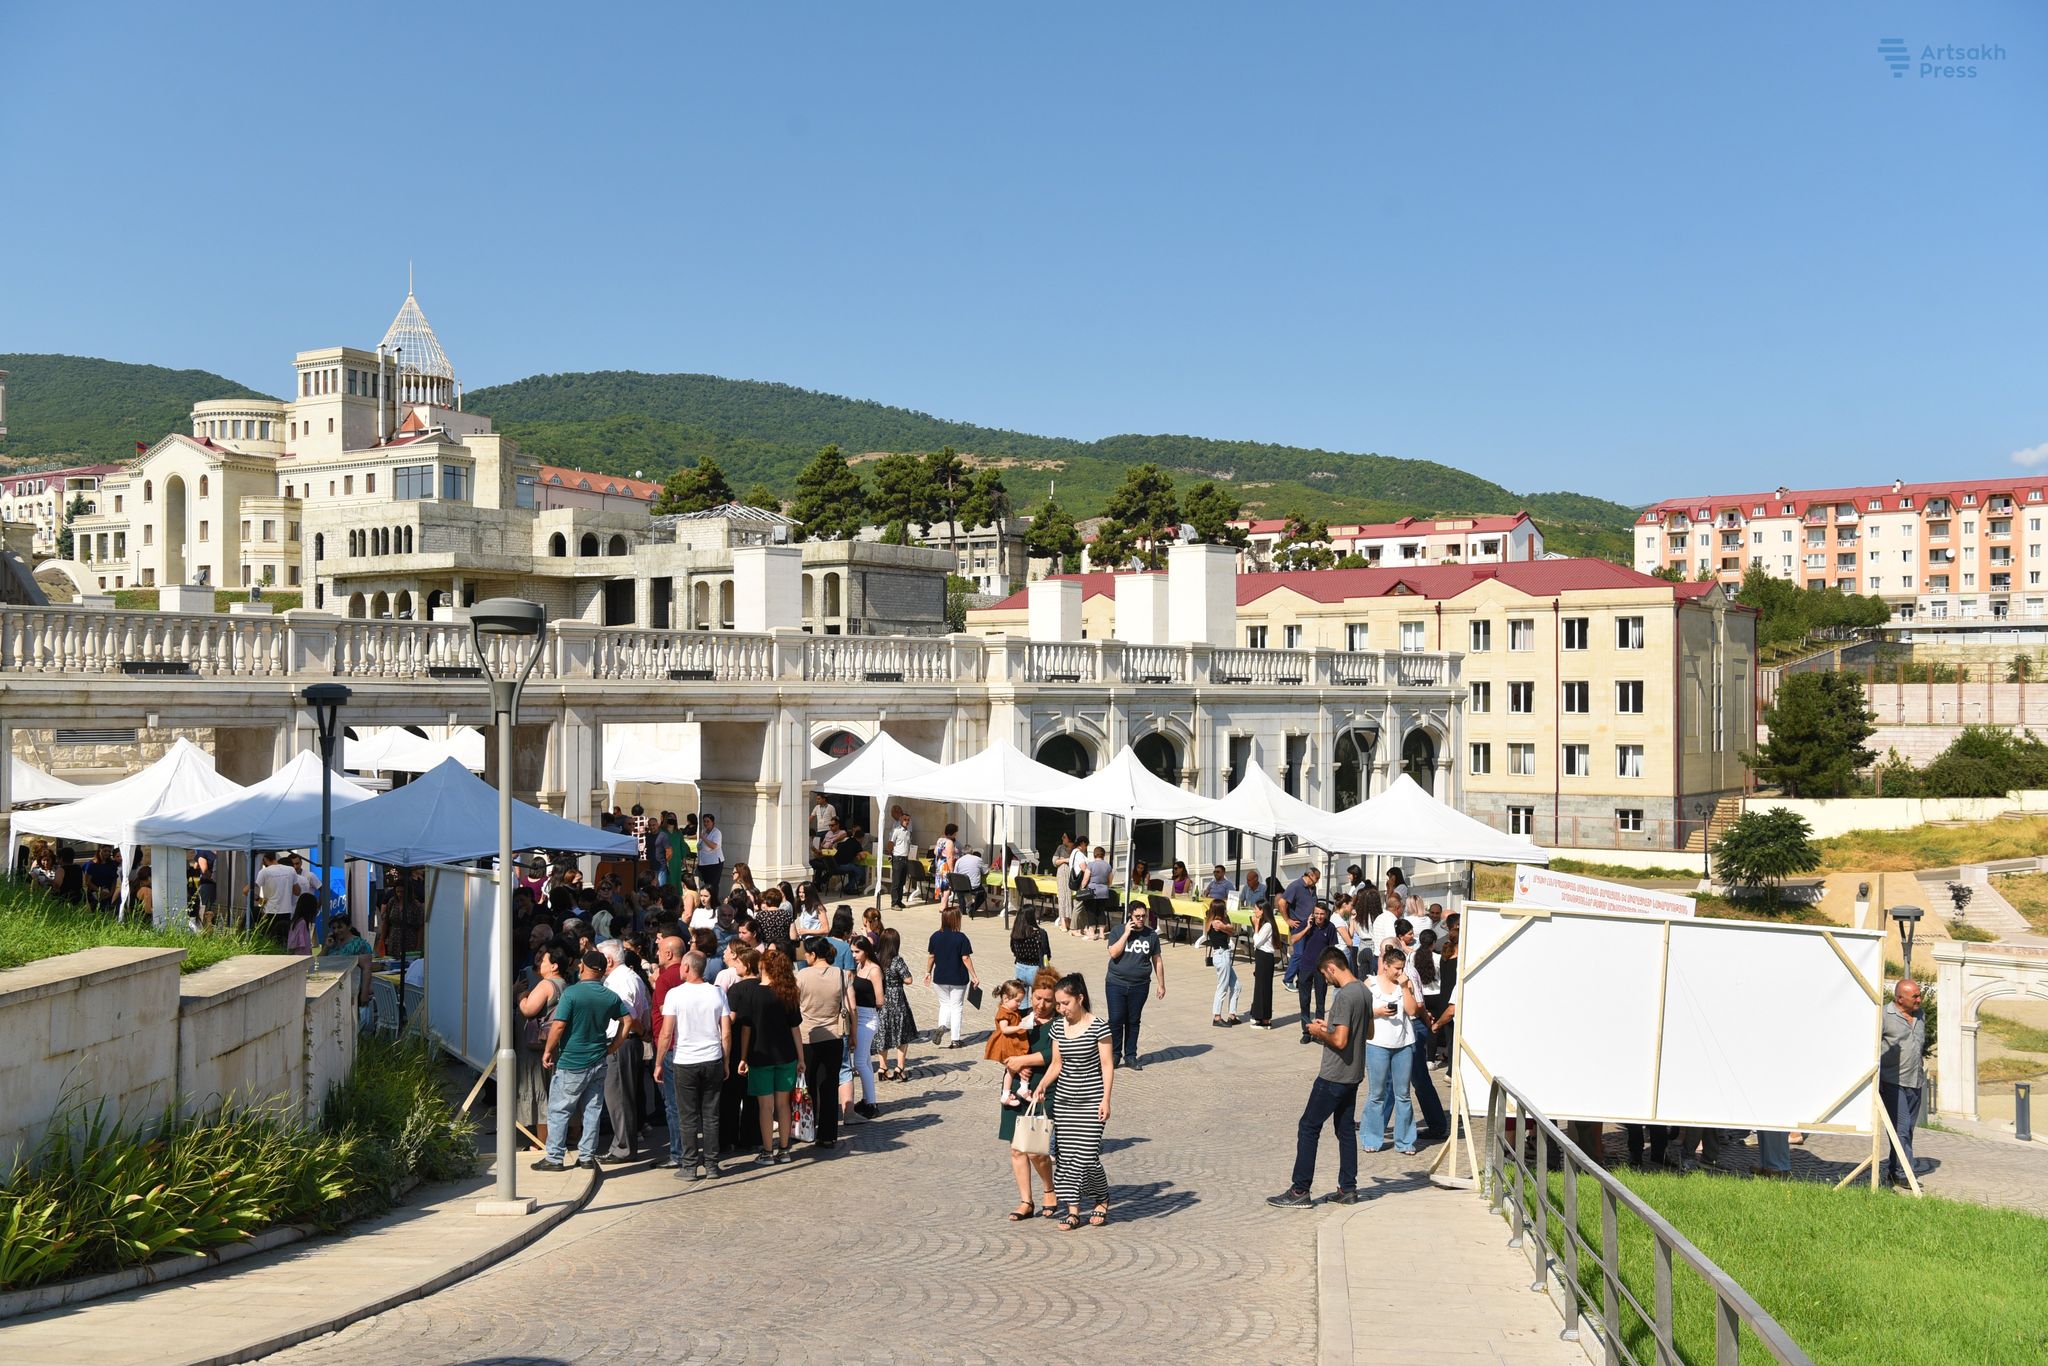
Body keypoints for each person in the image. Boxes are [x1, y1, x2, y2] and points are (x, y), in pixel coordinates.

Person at [1269, 948, 1369, 1207]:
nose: (1326, 980)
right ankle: (1348, 1188)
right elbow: (1367, 1032)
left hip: (1334, 1075)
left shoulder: (1345, 996)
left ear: (1332, 968)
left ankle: (1300, 1190)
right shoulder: (1364, 991)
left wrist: (1318, 1031)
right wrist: (1330, 1026)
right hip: (1354, 1073)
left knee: (1308, 1126)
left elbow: (1340, 1040)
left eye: (1325, 975)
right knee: (1345, 1130)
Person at [1030, 973, 1114, 1230]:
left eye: (1065, 1003)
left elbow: (1107, 1065)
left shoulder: (1099, 1026)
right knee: (1066, 1158)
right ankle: (1073, 1208)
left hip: (1091, 1100)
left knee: (1087, 1156)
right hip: (1065, 1101)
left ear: (1080, 998)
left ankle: (1101, 1197)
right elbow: (1056, 1064)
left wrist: (1106, 1100)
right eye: (1058, 1004)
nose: (1061, 1009)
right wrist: (1042, 1084)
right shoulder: (1057, 1027)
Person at [534, 949, 630, 1172]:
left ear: (584, 967)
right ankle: (586, 1156)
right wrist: (614, 1046)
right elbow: (627, 1020)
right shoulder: (610, 996)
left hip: (572, 1060)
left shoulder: (572, 993)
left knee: (560, 1110)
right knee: (592, 1110)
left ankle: (555, 1158)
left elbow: (558, 1026)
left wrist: (548, 1050)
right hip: (598, 1059)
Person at [654, 949, 732, 1180]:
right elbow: (725, 1032)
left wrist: (659, 1062)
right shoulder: (717, 994)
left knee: (687, 1116)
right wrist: (726, 1060)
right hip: (712, 1058)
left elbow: (667, 1033)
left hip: (685, 1060)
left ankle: (689, 1166)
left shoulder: (675, 995)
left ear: (686, 967)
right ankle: (712, 1165)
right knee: (711, 1115)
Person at [731, 946, 805, 1164]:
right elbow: (795, 1028)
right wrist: (801, 1058)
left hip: (759, 1055)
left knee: (765, 1106)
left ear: (762, 966)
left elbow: (746, 1029)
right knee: (783, 1105)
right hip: (786, 1055)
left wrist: (743, 1057)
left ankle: (767, 1151)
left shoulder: (752, 994)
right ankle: (784, 1149)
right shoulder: (787, 992)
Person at [1000, 969, 1062, 1220]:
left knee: (1036, 1149)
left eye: (1047, 1000)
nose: (1041, 1004)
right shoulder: (1021, 1019)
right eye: (1037, 998)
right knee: (1017, 1149)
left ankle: (1049, 1189)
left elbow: (1051, 1056)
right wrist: (1010, 1062)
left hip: (1042, 1087)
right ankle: (1026, 1201)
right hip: (1017, 1085)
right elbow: (1001, 1045)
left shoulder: (1059, 1023)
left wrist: (1021, 1060)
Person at [1359, 945, 1422, 1156]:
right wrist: (1376, 1012)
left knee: (1403, 1094)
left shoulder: (1404, 983)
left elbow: (1413, 1011)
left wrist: (1405, 987)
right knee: (1376, 1093)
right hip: (1377, 1043)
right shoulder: (1371, 984)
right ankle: (1371, 1138)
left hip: (1403, 1044)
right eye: (1396, 968)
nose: (1399, 972)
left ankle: (1405, 1141)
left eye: (1402, 967)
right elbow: (1360, 1012)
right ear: (1385, 966)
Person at [796, 935, 854, 1151]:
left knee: (807, 1086)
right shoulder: (840, 974)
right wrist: (853, 1036)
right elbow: (851, 1007)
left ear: (812, 954)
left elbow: (793, 1004)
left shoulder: (802, 976)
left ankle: (807, 1130)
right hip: (834, 1037)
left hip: (807, 1036)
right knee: (829, 1087)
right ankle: (828, 1135)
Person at [597, 939, 651, 1162]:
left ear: (608, 959)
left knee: (618, 1097)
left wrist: (639, 1033)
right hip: (627, 1041)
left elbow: (631, 1017)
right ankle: (623, 1145)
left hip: (621, 1042)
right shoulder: (629, 977)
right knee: (622, 1096)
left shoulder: (620, 981)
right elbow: (643, 1011)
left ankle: (623, 1147)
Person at [517, 940, 572, 1152]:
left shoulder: (546, 984)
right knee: (553, 1093)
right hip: (555, 1045)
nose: (539, 962)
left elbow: (529, 1009)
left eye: (545, 959)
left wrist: (520, 997)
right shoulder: (564, 985)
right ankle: (557, 1139)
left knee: (541, 1093)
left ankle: (542, 1142)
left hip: (537, 1048)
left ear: (554, 965)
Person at [1103, 902, 1165, 1069]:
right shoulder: (1117, 931)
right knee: (1116, 1020)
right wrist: (1126, 934)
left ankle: (1131, 1055)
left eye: (1144, 916)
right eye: (1137, 916)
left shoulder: (1151, 935)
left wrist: (1161, 984)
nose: (1141, 919)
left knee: (1133, 1020)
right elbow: (1113, 953)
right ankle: (1115, 1055)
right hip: (1116, 983)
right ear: (1130, 915)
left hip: (1140, 985)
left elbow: (1157, 960)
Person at [1880, 977, 1927, 1188]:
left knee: (1907, 1131)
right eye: (1914, 996)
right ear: (1900, 998)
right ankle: (1904, 1173)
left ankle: (1893, 1170)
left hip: (1915, 1082)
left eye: (1919, 995)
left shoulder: (1920, 1015)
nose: (1919, 999)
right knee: (1901, 1128)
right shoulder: (1884, 1015)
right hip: (1892, 1082)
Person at [925, 909, 979, 1048]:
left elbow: (932, 956)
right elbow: (965, 958)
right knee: (956, 1007)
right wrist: (974, 975)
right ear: (957, 920)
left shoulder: (935, 936)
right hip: (958, 978)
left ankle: (942, 1025)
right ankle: (955, 1039)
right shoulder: (961, 937)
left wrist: (928, 972)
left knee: (944, 1004)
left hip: (940, 977)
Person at [1287, 902, 1339, 1045]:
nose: (1319, 916)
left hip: (1321, 970)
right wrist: (1307, 928)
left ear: (1326, 914)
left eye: (1322, 914)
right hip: (1305, 967)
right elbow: (1293, 939)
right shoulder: (1307, 923)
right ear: (1313, 913)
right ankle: (1306, 1032)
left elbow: (1332, 950)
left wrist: (1330, 970)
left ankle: (1319, 1032)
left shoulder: (1330, 927)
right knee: (1304, 1001)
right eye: (1316, 913)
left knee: (1320, 1003)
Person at [845, 935, 884, 1120]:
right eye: (852, 951)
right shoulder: (860, 967)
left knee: (860, 1062)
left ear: (866, 951)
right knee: (865, 1061)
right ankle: (868, 1098)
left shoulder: (874, 970)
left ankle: (872, 1104)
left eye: (857, 951)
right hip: (859, 1017)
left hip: (867, 1018)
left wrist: (863, 1003)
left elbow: (880, 999)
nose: (853, 955)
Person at [985, 978, 1035, 1107]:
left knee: (1012, 1070)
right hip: (1007, 1045)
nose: (1019, 1004)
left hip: (1012, 1043)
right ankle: (1022, 1089)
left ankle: (1006, 1095)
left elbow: (1017, 1021)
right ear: (1006, 999)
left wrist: (1029, 1018)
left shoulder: (1012, 1011)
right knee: (1019, 1066)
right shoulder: (1003, 1012)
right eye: (1017, 1001)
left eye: (1021, 1001)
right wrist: (1020, 1027)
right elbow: (1004, 1029)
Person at [877, 927, 918, 1081]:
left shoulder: (877, 958)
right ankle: (900, 1067)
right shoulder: (897, 960)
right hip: (897, 1000)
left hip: (882, 999)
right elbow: (908, 979)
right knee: (902, 1034)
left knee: (883, 1033)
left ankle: (882, 1067)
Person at [1205, 903, 1241, 1027]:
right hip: (1221, 955)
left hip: (1223, 954)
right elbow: (1231, 930)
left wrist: (1227, 927)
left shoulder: (1217, 921)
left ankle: (1232, 1015)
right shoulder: (1216, 923)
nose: (1226, 910)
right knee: (1222, 987)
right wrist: (1227, 927)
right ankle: (1217, 1017)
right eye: (1224, 908)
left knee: (1236, 986)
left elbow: (1231, 931)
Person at [1248, 897, 1278, 1030]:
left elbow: (1257, 941)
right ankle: (1262, 1017)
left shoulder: (1267, 925)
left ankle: (1263, 1018)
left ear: (1262, 911)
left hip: (1265, 957)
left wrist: (1255, 926)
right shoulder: (1265, 924)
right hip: (1262, 956)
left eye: (1256, 909)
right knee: (1261, 986)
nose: (1254, 911)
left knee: (1263, 987)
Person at [252, 850, 296, 935]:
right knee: (285, 937)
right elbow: (297, 891)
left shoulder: (264, 872)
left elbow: (246, 891)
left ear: (265, 859)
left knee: (271, 937)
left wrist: (260, 900)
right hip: (286, 910)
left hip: (270, 910)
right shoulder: (291, 870)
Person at [1010, 904, 1050, 986]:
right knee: (1037, 997)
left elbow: (1013, 950)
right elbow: (1046, 953)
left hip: (1019, 967)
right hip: (1035, 968)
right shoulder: (1040, 933)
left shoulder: (1016, 933)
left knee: (1021, 997)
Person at [888, 808, 916, 910]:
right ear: (901, 819)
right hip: (897, 858)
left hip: (905, 858)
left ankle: (899, 901)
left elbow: (908, 844)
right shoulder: (896, 831)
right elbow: (890, 844)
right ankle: (894, 903)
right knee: (896, 882)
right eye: (905, 819)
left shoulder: (908, 832)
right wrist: (891, 855)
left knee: (902, 882)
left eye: (908, 820)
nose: (907, 822)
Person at [1083, 845, 1113, 938]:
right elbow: (1110, 880)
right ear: (1103, 855)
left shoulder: (1091, 865)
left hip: (1092, 891)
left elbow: (1086, 878)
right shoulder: (1108, 865)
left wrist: (1082, 887)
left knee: (1091, 911)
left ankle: (1092, 932)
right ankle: (1101, 933)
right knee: (1101, 911)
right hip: (1104, 891)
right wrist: (1106, 885)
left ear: (1094, 855)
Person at [1052, 832, 1079, 934]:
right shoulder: (1060, 848)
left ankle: (1069, 920)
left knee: (1071, 897)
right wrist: (1065, 860)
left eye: (1064, 837)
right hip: (1062, 874)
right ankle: (1063, 920)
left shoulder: (1076, 849)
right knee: (1063, 897)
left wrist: (1064, 859)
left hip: (1073, 875)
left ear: (1069, 838)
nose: (1062, 838)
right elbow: (1054, 861)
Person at [695, 813, 724, 904]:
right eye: (704, 821)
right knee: (707, 885)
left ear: (713, 823)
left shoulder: (716, 832)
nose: (706, 823)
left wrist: (703, 838)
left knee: (713, 885)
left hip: (714, 863)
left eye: (708, 821)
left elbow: (714, 846)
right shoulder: (705, 832)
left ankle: (714, 903)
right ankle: (708, 902)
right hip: (704, 863)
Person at [933, 823, 961, 912]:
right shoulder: (950, 843)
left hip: (939, 863)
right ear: (952, 833)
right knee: (947, 886)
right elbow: (950, 857)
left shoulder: (940, 840)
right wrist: (951, 870)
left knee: (941, 885)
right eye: (955, 833)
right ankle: (943, 906)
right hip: (945, 865)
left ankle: (944, 904)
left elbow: (935, 852)